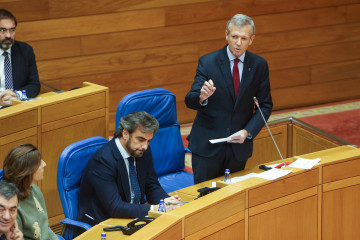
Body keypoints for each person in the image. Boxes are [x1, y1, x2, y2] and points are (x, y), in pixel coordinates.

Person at [185, 14, 273, 184]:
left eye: (243, 38)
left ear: (251, 40)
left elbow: (265, 105)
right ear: (226, 35)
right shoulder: (208, 62)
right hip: (207, 148)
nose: (238, 42)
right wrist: (202, 97)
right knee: (205, 198)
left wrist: (248, 132)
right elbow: (190, 99)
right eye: (234, 37)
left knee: (232, 202)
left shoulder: (259, 65)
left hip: (238, 148)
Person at [77, 111, 181, 226]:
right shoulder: (103, 161)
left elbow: (151, 186)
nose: (145, 146)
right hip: (104, 222)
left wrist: (166, 202)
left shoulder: (142, 151)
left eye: (148, 141)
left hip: (132, 216)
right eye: (140, 140)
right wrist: (155, 208)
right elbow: (114, 207)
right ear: (125, 134)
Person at [3, 144, 58, 240]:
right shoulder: (12, 206)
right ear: (27, 171)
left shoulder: (35, 190)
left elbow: (46, 229)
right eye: (39, 162)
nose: (44, 164)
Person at [0, 9, 40, 107]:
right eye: (3, 30)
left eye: (12, 30)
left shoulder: (25, 51)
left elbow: (34, 85)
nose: (8, 35)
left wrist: (17, 95)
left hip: (18, 107)